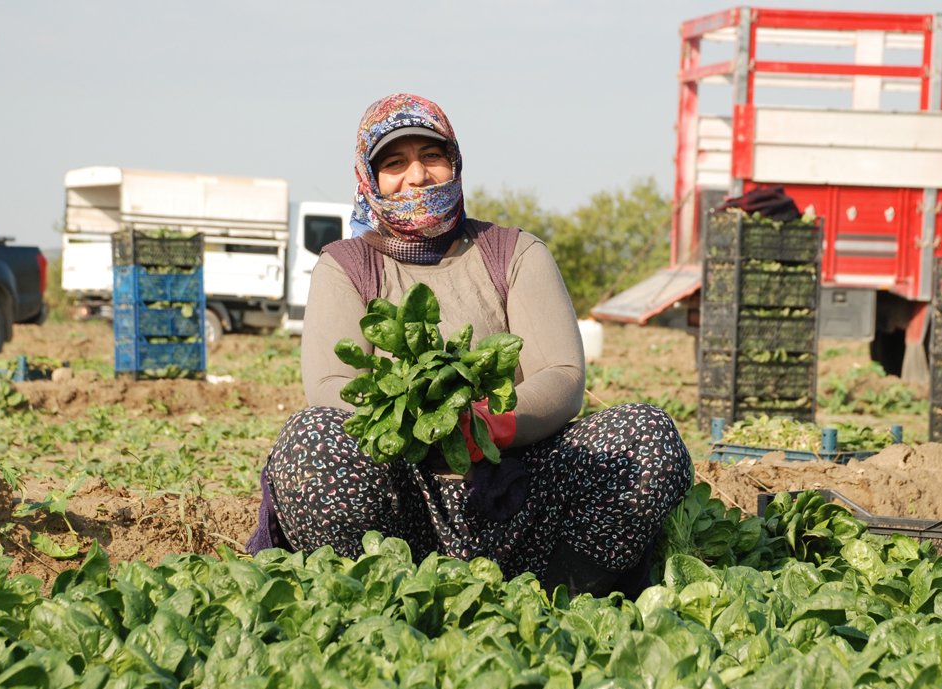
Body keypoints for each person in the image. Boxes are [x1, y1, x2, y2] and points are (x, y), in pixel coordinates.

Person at [246, 92, 691, 599]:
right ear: (369, 180)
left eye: (431, 156)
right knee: (311, 439)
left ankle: (559, 600)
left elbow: (563, 376)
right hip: (399, 502)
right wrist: (416, 422)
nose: (416, 176)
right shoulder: (346, 265)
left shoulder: (514, 252)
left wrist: (485, 424)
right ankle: (377, 599)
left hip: (514, 494)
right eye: (394, 163)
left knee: (647, 435)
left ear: (455, 163)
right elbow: (329, 385)